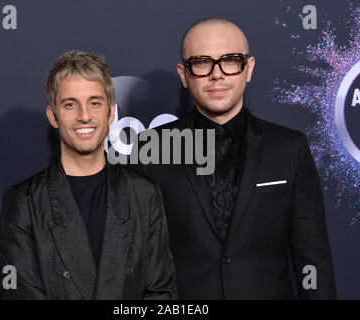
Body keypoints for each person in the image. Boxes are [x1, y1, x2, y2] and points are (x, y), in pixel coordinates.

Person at [130, 18, 336, 299]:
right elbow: (135, 261)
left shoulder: (289, 148)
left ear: (248, 68)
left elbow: (313, 260)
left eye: (230, 60)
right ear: (183, 73)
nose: (217, 74)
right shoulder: (150, 149)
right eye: (201, 62)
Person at [0, 50, 176, 300]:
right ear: (53, 116)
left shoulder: (144, 195)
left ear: (111, 113)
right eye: (70, 104)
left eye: (94, 103)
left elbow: (161, 294)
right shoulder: (22, 202)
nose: (84, 116)